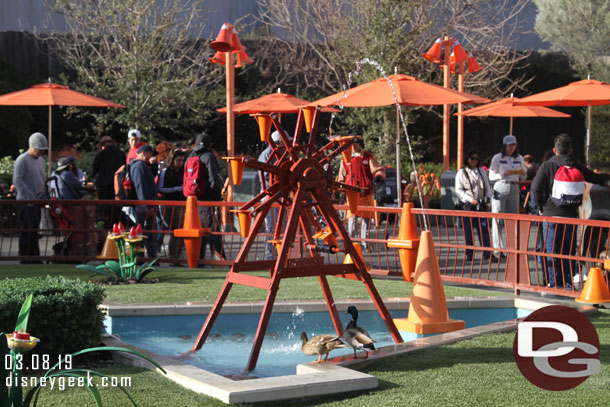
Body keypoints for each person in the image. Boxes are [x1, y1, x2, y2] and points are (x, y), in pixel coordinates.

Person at [531, 133, 610, 289]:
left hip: (551, 214)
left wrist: (539, 207)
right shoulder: (575, 164)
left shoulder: (547, 166)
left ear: (555, 150)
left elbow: (536, 189)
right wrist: (607, 175)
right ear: (571, 149)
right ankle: (568, 284)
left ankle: (554, 283)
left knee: (552, 250)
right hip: (571, 214)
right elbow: (595, 178)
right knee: (568, 251)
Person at [337, 137, 385, 250]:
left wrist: (378, 177)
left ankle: (364, 243)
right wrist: (340, 187)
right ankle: (352, 243)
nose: (353, 146)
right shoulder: (345, 159)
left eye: (355, 143)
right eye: (351, 144)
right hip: (351, 193)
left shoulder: (367, 156)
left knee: (366, 219)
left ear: (359, 144)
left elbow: (379, 169)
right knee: (352, 219)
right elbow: (341, 175)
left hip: (365, 192)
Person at [488, 135, 527, 256]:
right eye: (510, 145)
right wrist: (503, 174)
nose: (512, 147)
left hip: (514, 187)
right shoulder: (497, 158)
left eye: (514, 144)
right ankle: (497, 248)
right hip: (500, 185)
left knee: (513, 219)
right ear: (504, 145)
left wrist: (523, 173)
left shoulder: (520, 158)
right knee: (497, 218)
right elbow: (491, 176)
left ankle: (512, 247)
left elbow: (523, 176)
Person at [190, 132, 225, 261]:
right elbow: (213, 179)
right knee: (212, 229)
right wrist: (217, 193)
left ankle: (199, 258)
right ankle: (220, 258)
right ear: (210, 144)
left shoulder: (191, 155)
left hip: (194, 199)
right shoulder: (208, 156)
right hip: (209, 199)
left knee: (200, 230)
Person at [13, 132, 48, 262]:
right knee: (27, 229)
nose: (41, 153)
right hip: (26, 202)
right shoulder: (22, 160)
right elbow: (17, 180)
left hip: (36, 200)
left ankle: (34, 256)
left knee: (34, 230)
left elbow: (41, 179)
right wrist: (29, 196)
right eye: (39, 150)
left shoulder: (41, 161)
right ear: (32, 147)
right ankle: (25, 256)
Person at [258, 130, 290, 260]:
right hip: (271, 195)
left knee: (280, 226)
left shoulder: (273, 154)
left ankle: (278, 255)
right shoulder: (268, 155)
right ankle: (270, 256)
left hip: (277, 195)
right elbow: (266, 175)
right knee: (272, 228)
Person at [455, 150, 492, 260]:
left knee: (484, 228)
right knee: (468, 230)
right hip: (467, 204)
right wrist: (469, 199)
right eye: (472, 158)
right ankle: (469, 253)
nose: (474, 161)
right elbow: (458, 190)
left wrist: (488, 200)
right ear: (467, 159)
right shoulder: (461, 173)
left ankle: (487, 253)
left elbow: (487, 187)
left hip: (480, 203)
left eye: (476, 159)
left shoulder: (481, 171)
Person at [158, 148, 187, 264]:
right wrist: (177, 189)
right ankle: (173, 257)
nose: (180, 163)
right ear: (172, 159)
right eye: (178, 160)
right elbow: (160, 188)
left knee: (180, 231)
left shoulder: (183, 172)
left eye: (182, 161)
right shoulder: (166, 171)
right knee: (175, 230)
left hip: (181, 204)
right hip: (169, 205)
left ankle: (177, 257)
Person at [130, 144, 158, 258]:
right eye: (150, 153)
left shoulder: (140, 165)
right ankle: (145, 258)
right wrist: (146, 206)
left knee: (144, 234)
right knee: (145, 234)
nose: (152, 156)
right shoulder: (139, 166)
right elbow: (140, 187)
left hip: (143, 206)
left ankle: (145, 257)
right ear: (144, 154)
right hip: (143, 208)